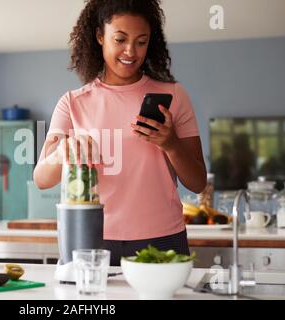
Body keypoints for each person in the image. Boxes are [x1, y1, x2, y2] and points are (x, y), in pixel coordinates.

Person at [33, 0, 207, 266]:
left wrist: (171, 144)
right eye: (120, 39)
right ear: (100, 36)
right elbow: (41, 179)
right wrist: (63, 153)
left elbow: (197, 182)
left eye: (141, 41)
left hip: (162, 238)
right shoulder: (73, 102)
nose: (130, 51)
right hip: (90, 238)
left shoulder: (173, 96)